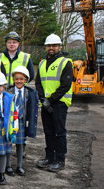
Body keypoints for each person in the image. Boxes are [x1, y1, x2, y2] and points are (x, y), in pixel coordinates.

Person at [35, 33, 73, 172]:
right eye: (49, 46)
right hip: (46, 103)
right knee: (49, 132)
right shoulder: (42, 63)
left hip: (59, 103)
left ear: (59, 47)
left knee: (59, 132)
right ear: (46, 47)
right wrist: (42, 98)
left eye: (54, 45)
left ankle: (60, 160)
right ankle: (50, 157)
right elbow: (38, 83)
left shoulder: (65, 62)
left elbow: (66, 85)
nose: (51, 48)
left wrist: (50, 100)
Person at [8, 66, 39, 176]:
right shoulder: (9, 91)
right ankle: (8, 166)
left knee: (20, 144)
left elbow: (32, 109)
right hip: (10, 122)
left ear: (26, 80)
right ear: (13, 80)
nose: (19, 81)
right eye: (16, 79)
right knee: (8, 143)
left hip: (21, 122)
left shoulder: (29, 92)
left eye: (22, 79)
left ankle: (19, 166)